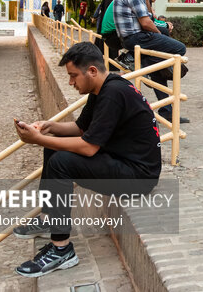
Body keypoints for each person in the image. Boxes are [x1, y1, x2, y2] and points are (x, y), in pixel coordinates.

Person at [12, 42, 161, 277]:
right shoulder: (103, 87)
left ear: (91, 71)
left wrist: (38, 140)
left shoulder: (113, 94)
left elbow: (89, 148)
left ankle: (62, 250)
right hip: (120, 161)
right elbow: (81, 129)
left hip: (138, 177)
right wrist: (48, 127)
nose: (71, 82)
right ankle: (49, 219)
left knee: (61, 161)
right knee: (53, 148)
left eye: (73, 76)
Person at [113, 0, 189, 123]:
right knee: (180, 48)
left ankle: (167, 110)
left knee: (158, 69)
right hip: (135, 38)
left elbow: (148, 18)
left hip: (129, 38)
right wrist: (160, 36)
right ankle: (139, 61)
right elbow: (146, 22)